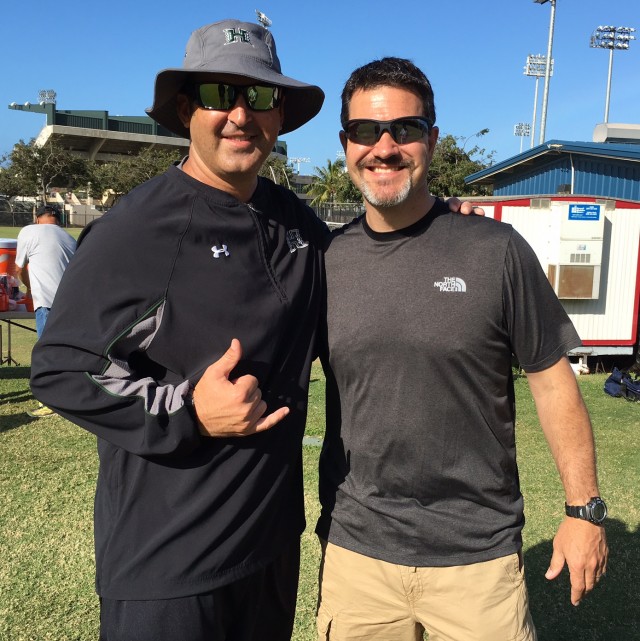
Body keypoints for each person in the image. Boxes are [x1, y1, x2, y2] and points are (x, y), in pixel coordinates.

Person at [29, 20, 477, 641]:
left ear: (280, 116)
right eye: (219, 94)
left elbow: (365, 279)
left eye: (260, 97)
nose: (240, 115)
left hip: (269, 547)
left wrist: (450, 234)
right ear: (187, 109)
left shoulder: (294, 221)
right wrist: (188, 411)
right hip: (169, 562)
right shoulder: (136, 230)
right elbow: (59, 366)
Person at [316, 57, 609, 641]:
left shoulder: (494, 250)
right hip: (358, 554)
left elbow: (552, 381)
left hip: (477, 555)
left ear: (433, 138)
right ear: (345, 143)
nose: (385, 147)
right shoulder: (324, 261)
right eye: (366, 132)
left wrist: (584, 511)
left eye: (405, 128)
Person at [15, 204, 76, 418]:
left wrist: (29, 287)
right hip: (71, 305)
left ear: (37, 217)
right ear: (58, 219)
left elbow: (19, 269)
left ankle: (51, 402)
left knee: (46, 354)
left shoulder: (29, 231)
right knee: (67, 352)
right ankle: (69, 398)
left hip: (47, 302)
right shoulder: (70, 238)